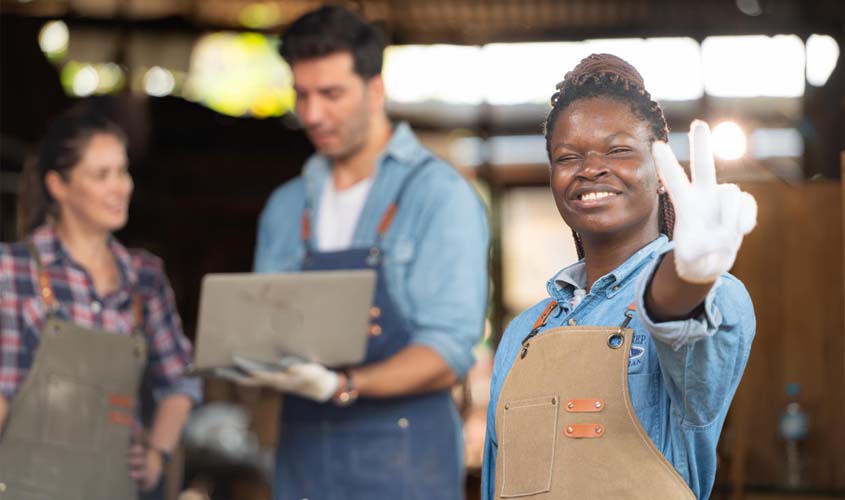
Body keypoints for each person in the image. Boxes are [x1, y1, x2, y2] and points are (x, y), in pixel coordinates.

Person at [223, 5, 489, 500]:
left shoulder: (438, 196)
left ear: (375, 90)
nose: (312, 114)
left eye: (331, 94)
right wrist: (242, 358)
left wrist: (341, 385)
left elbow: (449, 352)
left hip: (407, 461)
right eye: (301, 95)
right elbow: (263, 332)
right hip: (302, 458)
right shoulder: (285, 206)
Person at [481, 54, 757, 500]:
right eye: (567, 156)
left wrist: (688, 275)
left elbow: (675, 316)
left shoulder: (714, 294)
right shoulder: (522, 335)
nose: (590, 168)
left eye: (619, 150)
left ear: (663, 173)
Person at [0, 107, 202, 500]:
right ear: (58, 185)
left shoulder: (144, 279)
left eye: (123, 171)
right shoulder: (14, 271)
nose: (120, 187)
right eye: (101, 175)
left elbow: (182, 378)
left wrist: (158, 452)